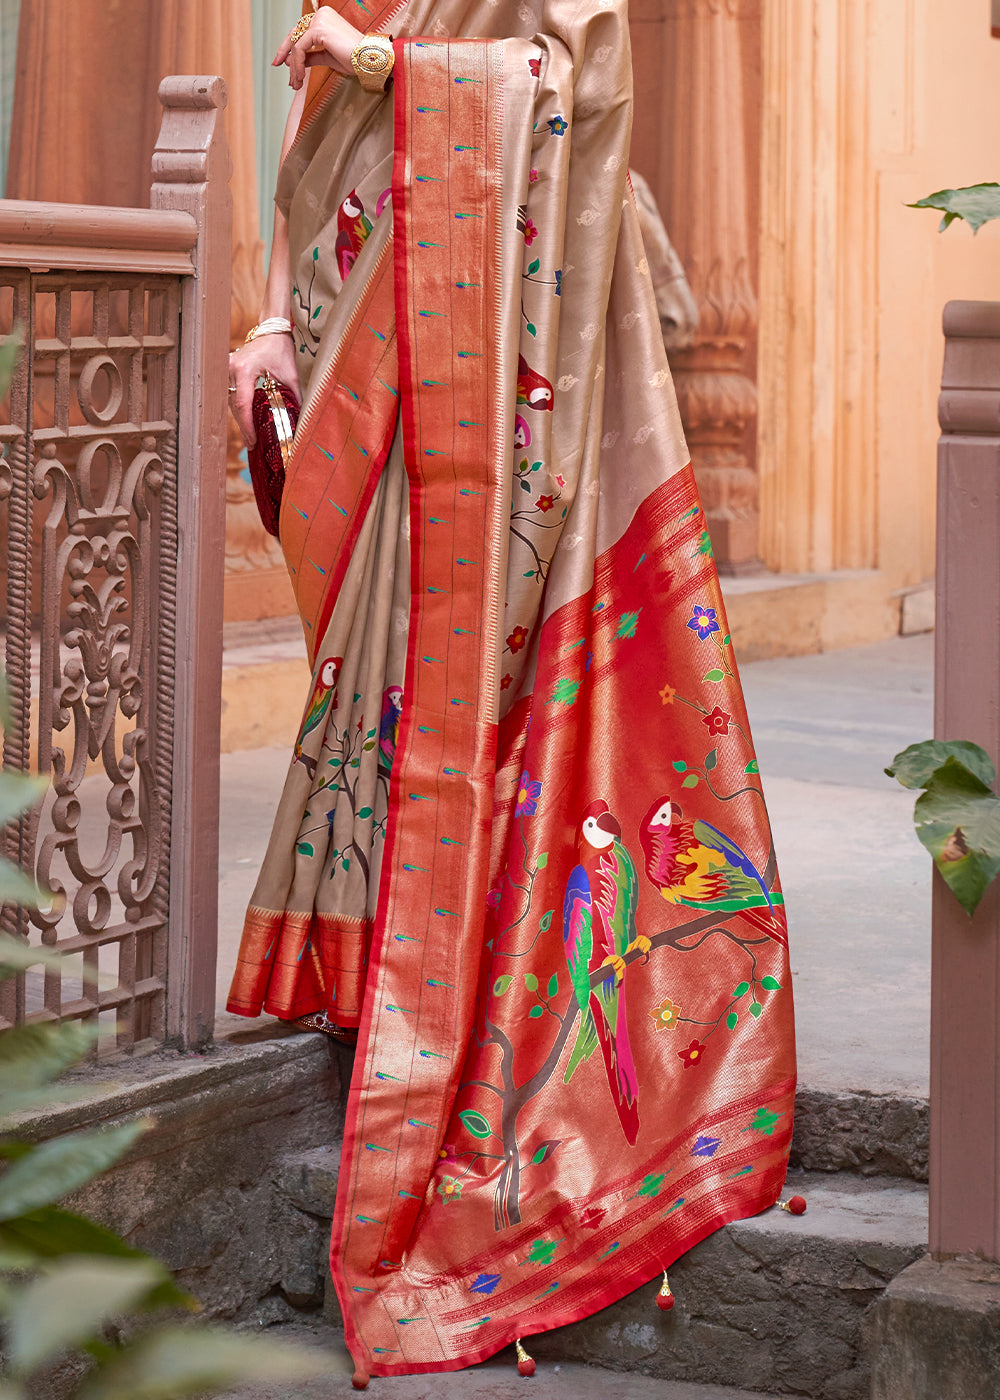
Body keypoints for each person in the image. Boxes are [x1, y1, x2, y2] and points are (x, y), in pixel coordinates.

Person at [226, 0, 795, 1385]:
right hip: (405, 351)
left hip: (528, 373)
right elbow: (341, 155)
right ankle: (394, 974)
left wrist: (376, 66)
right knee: (398, 678)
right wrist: (281, 313)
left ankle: (470, 1001)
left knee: (491, 688)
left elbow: (565, 80)